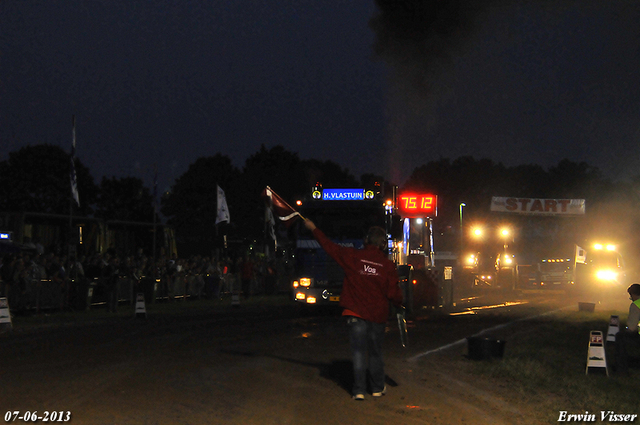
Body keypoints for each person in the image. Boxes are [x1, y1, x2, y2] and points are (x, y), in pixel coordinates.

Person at [303, 218, 403, 400]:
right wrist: (400, 304)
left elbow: (329, 246)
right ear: (382, 244)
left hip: (355, 313)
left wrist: (314, 228)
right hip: (377, 316)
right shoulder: (387, 266)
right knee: (375, 353)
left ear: (366, 240)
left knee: (358, 353)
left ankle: (358, 391)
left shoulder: (352, 256)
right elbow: (393, 293)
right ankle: (377, 388)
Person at [615, 283, 640, 374]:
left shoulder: (636, 305)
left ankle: (621, 368)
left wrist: (626, 329)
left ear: (633, 294)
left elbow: (631, 327)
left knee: (620, 337)